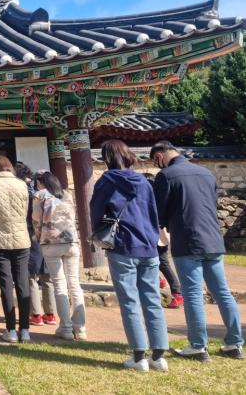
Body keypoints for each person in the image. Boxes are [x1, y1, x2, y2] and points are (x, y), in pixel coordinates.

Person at [151, 140, 244, 360]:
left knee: (192, 294)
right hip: (213, 240)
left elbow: (158, 212)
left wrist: (162, 226)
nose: (157, 166)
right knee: (222, 293)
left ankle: (198, 346)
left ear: (160, 156)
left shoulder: (166, 176)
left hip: (187, 241)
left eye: (155, 161)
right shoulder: (206, 173)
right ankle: (234, 343)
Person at [91, 140, 168, 372]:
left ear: (107, 158)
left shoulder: (106, 181)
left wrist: (98, 233)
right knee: (152, 299)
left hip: (123, 246)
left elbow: (96, 211)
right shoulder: (143, 181)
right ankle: (159, 356)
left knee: (129, 301)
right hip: (148, 246)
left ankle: (139, 356)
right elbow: (154, 213)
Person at [0, 155, 31, 344]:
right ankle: (25, 330)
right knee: (22, 283)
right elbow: (25, 211)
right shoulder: (22, 185)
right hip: (21, 239)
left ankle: (10, 330)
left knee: (5, 283)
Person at [32, 171, 86, 341]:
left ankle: (66, 328)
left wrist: (39, 237)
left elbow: (36, 221)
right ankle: (80, 328)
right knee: (75, 284)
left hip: (51, 242)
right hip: (71, 242)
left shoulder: (40, 195)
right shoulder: (66, 194)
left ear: (40, 182)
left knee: (59, 284)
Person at [16, 162, 57, 328]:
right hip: (48, 236)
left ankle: (36, 314)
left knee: (31, 276)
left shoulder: (24, 191)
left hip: (31, 234)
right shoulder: (50, 192)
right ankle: (50, 314)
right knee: (47, 277)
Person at [142, 173, 183, 309]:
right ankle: (159, 280)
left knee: (163, 262)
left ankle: (177, 292)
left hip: (159, 234)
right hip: (149, 234)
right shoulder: (147, 198)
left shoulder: (157, 198)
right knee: (148, 260)